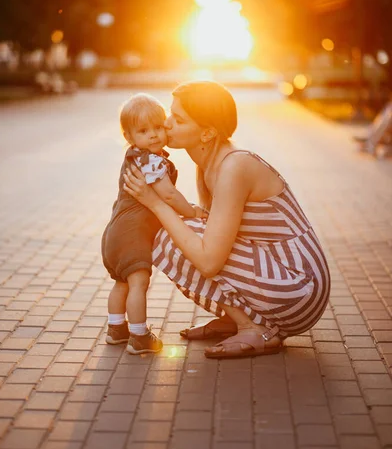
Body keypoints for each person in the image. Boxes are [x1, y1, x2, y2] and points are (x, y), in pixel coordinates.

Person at [123, 81, 331, 359]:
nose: (166, 123)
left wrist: (155, 203)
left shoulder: (233, 166)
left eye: (178, 119)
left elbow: (210, 261)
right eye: (169, 113)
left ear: (207, 132)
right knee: (186, 232)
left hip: (299, 288)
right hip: (281, 280)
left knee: (172, 234)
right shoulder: (208, 164)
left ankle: (254, 328)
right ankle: (237, 321)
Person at [102, 93, 202, 354]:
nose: (155, 135)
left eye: (158, 127)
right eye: (144, 131)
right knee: (138, 284)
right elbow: (168, 194)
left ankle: (116, 329)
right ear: (129, 137)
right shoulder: (152, 161)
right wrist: (191, 211)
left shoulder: (134, 157)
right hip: (134, 232)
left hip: (115, 231)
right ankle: (139, 336)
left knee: (121, 283)